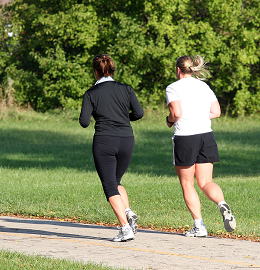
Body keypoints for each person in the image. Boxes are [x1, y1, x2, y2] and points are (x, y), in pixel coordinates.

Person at [165, 55, 236, 237]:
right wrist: (199, 116)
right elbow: (216, 112)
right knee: (206, 182)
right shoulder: (203, 86)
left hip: (185, 138)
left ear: (178, 70)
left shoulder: (173, 87)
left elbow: (177, 113)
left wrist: (169, 119)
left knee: (187, 184)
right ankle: (222, 204)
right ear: (192, 69)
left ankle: (199, 226)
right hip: (206, 136)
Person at [79, 54, 143, 242]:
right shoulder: (126, 89)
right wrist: (123, 119)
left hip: (105, 140)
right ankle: (128, 212)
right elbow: (138, 113)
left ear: (95, 71)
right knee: (115, 180)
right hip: (126, 139)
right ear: (113, 69)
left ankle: (125, 228)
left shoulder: (91, 93)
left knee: (109, 186)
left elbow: (84, 122)